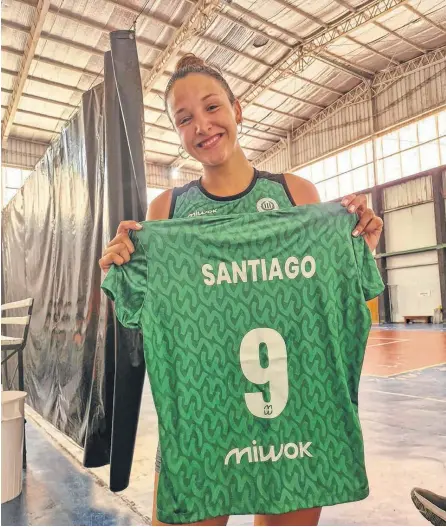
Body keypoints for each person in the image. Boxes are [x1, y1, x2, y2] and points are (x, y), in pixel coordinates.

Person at [99, 54, 384, 526]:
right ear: (177, 132)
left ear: (238, 108)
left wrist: (356, 246)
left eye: (212, 108)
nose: (202, 126)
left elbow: (335, 300)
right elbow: (135, 310)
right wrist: (122, 262)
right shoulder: (167, 210)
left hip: (295, 424)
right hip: (204, 424)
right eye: (185, 119)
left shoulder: (298, 194)